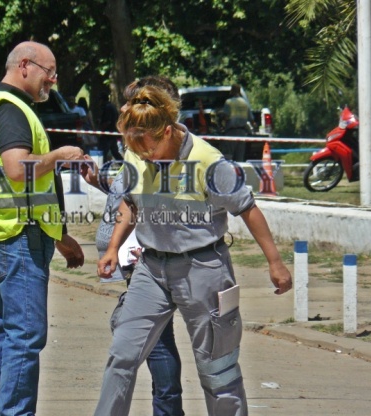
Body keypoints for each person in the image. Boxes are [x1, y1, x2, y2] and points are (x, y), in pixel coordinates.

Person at [94, 85, 293, 416]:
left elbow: (247, 208)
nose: (143, 155)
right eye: (135, 148)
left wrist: (275, 262)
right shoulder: (135, 150)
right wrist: (113, 247)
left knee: (218, 371)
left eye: (150, 147)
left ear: (168, 131)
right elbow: (131, 203)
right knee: (122, 356)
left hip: (203, 270)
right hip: (152, 268)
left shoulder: (207, 161)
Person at [0, 41, 85, 416]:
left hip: (13, 233)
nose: (54, 80)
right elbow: (18, 170)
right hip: (16, 236)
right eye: (50, 71)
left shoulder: (5, 107)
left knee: (9, 330)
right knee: (25, 334)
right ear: (26, 66)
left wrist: (60, 237)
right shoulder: (9, 109)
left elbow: (28, 186)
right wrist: (60, 155)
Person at [82, 76, 185, 415]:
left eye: (132, 100)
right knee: (153, 340)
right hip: (134, 256)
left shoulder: (163, 148)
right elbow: (127, 196)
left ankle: (168, 410)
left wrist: (152, 242)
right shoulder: (136, 144)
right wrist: (98, 181)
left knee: (156, 344)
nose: (125, 106)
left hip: (148, 257)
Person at [218, 83, 256, 162]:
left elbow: (226, 117)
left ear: (232, 91)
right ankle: (239, 173)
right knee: (240, 157)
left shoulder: (229, 102)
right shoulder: (245, 103)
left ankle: (228, 173)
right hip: (242, 133)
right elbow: (251, 119)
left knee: (228, 156)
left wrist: (220, 120)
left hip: (231, 132)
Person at [98, 91, 123, 162]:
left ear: (102, 100)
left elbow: (107, 121)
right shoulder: (112, 107)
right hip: (113, 133)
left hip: (107, 134)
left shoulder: (107, 108)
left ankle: (103, 167)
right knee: (115, 152)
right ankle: (124, 166)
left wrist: (101, 129)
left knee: (103, 152)